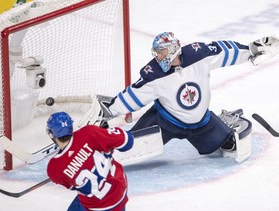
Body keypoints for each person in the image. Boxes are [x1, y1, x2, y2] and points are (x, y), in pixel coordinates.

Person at [97, 32, 279, 162]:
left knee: (229, 146)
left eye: (162, 52)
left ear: (174, 50)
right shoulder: (153, 73)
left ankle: (223, 121)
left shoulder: (198, 55)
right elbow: (133, 95)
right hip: (164, 122)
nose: (158, 56)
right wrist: (109, 111)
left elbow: (225, 51)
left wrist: (251, 50)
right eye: (157, 52)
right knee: (126, 150)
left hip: (201, 124)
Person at [46, 111, 134, 211]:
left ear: (51, 134)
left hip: (97, 208)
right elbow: (128, 142)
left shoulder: (54, 169)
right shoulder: (89, 132)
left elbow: (74, 186)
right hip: (118, 191)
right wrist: (105, 135)